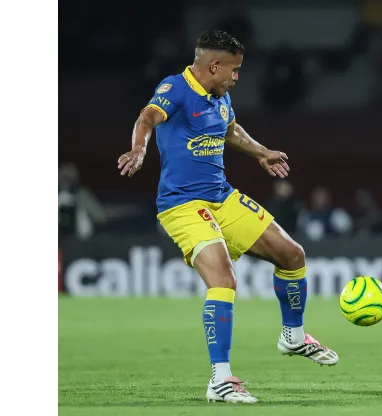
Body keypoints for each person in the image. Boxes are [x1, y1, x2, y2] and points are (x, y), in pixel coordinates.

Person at [116, 30, 338, 405]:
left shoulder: (220, 97)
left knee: (292, 255)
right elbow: (148, 117)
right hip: (182, 204)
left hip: (223, 196)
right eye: (234, 70)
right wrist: (138, 149)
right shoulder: (176, 88)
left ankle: (294, 336)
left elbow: (231, 129)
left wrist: (261, 153)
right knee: (223, 278)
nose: (237, 77)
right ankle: (220, 380)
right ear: (213, 65)